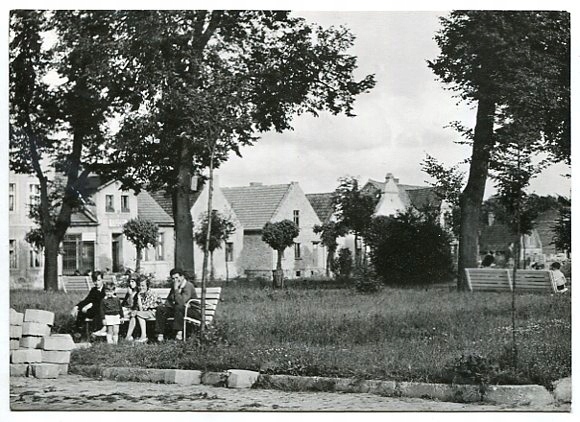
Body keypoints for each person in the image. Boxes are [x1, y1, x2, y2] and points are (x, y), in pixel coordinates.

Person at [155, 268, 196, 342]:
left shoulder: (188, 286)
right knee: (160, 309)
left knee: (179, 307)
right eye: (173, 279)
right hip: (178, 310)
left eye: (177, 278)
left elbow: (181, 302)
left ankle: (179, 334)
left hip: (192, 311)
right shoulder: (174, 286)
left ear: (182, 277)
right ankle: (160, 334)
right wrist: (166, 305)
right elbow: (169, 300)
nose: (175, 280)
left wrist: (176, 289)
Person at [126, 277, 162, 343]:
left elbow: (144, 309)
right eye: (139, 285)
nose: (141, 287)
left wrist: (139, 298)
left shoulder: (151, 293)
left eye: (143, 286)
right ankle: (129, 336)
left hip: (155, 312)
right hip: (145, 313)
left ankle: (143, 336)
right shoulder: (141, 294)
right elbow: (141, 309)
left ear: (147, 286)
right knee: (136, 315)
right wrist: (138, 297)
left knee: (137, 314)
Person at [70, 270, 106, 336]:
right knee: (80, 311)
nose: (96, 283)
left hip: (104, 310)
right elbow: (86, 300)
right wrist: (77, 307)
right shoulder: (94, 290)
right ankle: (79, 331)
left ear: (102, 280)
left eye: (98, 280)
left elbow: (103, 302)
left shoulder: (106, 290)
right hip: (94, 310)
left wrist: (90, 305)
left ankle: (95, 333)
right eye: (94, 281)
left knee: (95, 313)